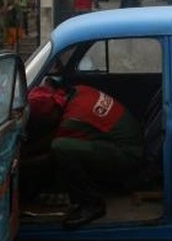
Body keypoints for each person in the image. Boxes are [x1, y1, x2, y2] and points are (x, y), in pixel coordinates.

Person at [24, 71, 143, 230]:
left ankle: (91, 203)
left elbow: (50, 151)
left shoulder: (72, 120)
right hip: (127, 141)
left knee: (61, 148)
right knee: (64, 148)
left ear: (52, 115)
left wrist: (22, 162)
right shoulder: (79, 91)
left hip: (129, 155)